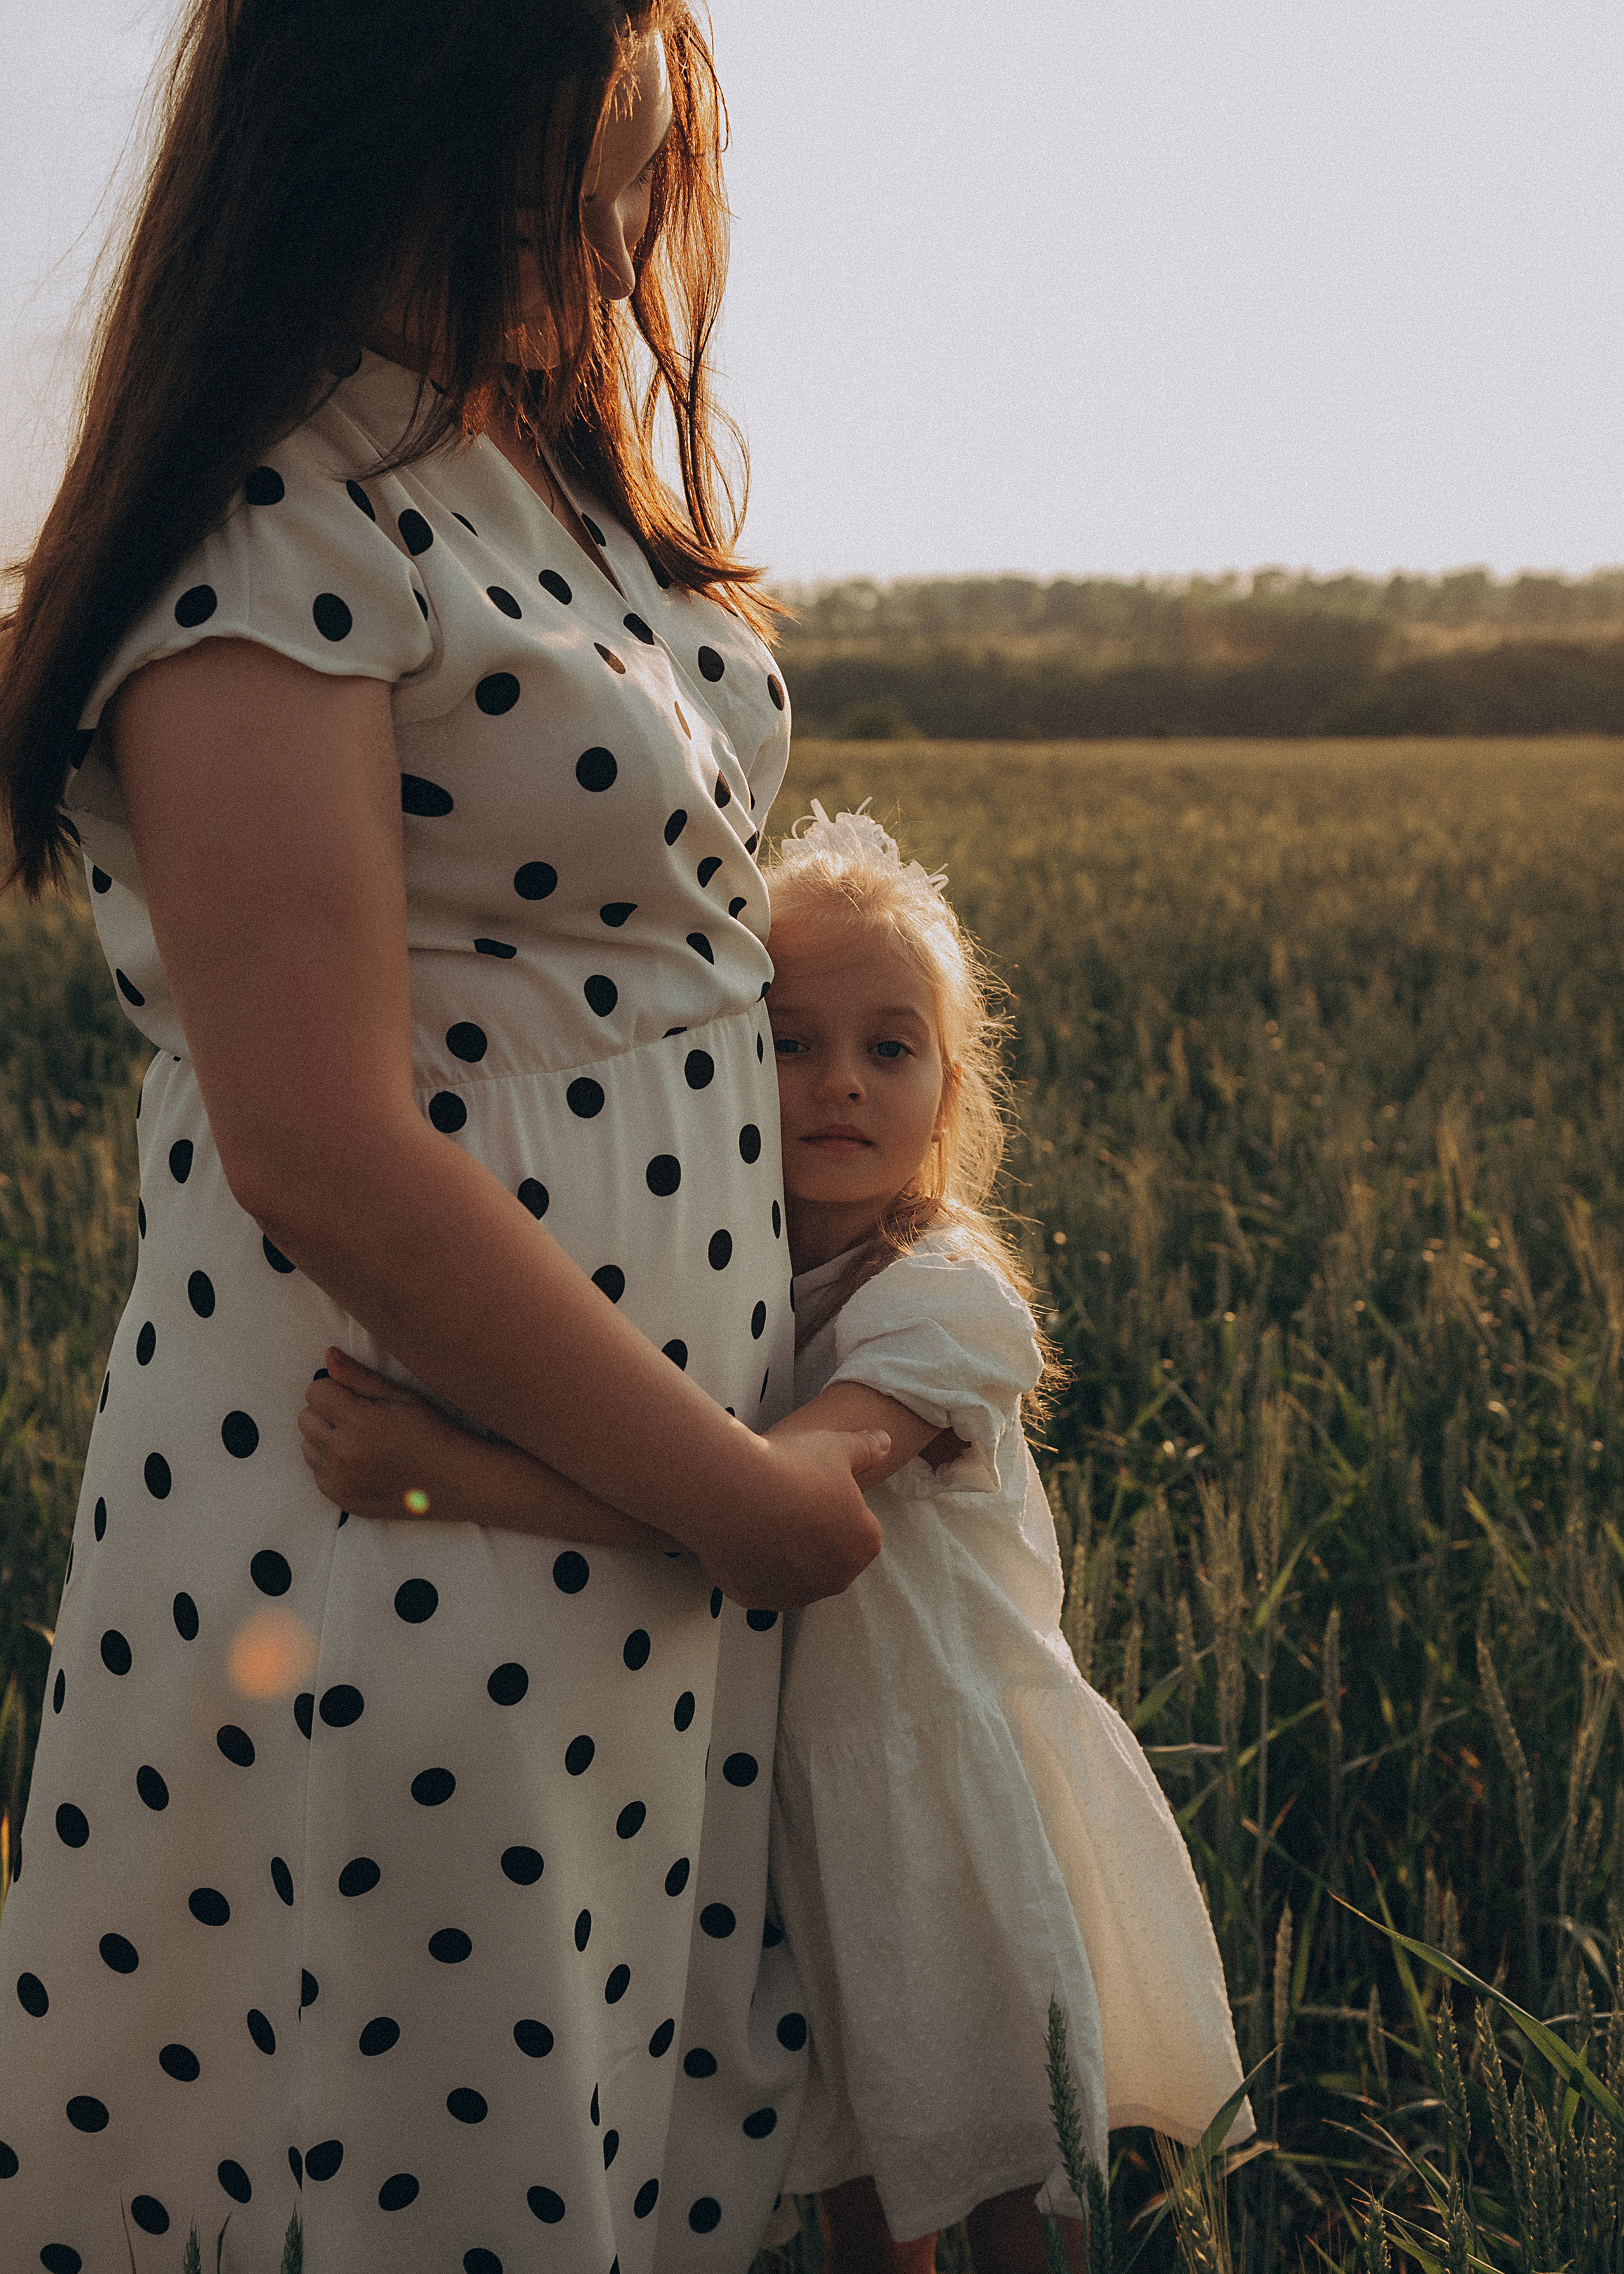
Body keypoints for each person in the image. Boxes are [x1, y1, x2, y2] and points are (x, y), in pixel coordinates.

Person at [0, 3, 885, 2265]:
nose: (602, 221)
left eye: (619, 164)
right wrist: (749, 1507)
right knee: (396, 2143)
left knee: (594, 2130)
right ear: (367, 122)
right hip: (409, 1528)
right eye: (537, 170)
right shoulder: (266, 512)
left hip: (634, 1508)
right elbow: (327, 1155)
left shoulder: (521, 445)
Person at [299, 804, 1254, 2274]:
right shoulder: (725, 1295)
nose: (836, 1083)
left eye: (889, 1047)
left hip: (942, 1812)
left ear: (947, 1093)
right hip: (771, 1805)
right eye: (788, 1039)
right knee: (852, 2203)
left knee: (1008, 2196)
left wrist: (450, 1474)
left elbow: (769, 1506)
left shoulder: (947, 1304)